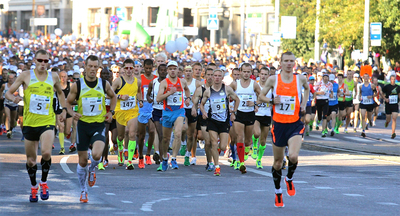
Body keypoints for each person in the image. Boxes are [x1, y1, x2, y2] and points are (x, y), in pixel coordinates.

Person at [5, 49, 67, 202]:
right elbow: (8, 92)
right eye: (40, 60)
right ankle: (34, 186)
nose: (43, 64)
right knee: (31, 161)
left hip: (47, 122)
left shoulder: (53, 76)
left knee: (46, 153)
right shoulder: (26, 75)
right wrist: (13, 98)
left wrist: (63, 110)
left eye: (46, 61)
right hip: (30, 123)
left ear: (49, 62)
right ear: (35, 60)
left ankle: (44, 182)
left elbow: (60, 93)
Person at [259, 51, 309, 208]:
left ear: (295, 63)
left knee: (293, 156)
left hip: (294, 124)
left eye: (291, 61)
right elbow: (261, 96)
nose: (289, 63)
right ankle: (278, 191)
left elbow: (307, 89)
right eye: (286, 61)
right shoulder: (273, 79)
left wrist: (303, 104)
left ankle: (289, 179)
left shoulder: (300, 79)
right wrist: (272, 100)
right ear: (280, 63)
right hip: (279, 126)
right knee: (278, 163)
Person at [66, 55, 116, 203]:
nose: (93, 69)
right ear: (85, 66)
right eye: (90, 66)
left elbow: (113, 97)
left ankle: (92, 169)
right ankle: (83, 190)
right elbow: (68, 103)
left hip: (98, 125)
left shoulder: (104, 84)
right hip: (82, 126)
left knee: (96, 154)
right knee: (82, 161)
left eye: (96, 67)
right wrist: (72, 113)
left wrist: (110, 112)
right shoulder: (78, 85)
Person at [200, 69, 238, 176]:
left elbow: (237, 99)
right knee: (213, 142)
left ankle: (216, 150)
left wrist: (233, 112)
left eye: (218, 76)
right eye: (214, 75)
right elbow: (201, 104)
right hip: (212, 121)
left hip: (224, 121)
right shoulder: (208, 91)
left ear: (222, 78)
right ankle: (217, 167)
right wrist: (203, 112)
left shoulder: (227, 89)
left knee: (222, 147)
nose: (216, 77)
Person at [156, 61, 191, 171]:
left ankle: (174, 158)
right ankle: (165, 158)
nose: (172, 70)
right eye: (170, 68)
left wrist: (188, 98)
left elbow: (187, 90)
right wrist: (169, 93)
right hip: (167, 112)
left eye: (174, 68)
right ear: (167, 70)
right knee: (165, 139)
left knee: (178, 134)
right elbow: (158, 98)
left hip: (179, 111)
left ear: (177, 70)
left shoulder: (182, 82)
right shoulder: (164, 83)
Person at [229, 63, 261, 174]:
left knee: (248, 141)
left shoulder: (254, 84)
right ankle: (241, 162)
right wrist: (230, 107)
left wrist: (255, 103)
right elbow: (225, 95)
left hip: (250, 114)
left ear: (251, 72)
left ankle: (246, 151)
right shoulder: (235, 84)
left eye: (248, 72)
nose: (246, 74)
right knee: (240, 137)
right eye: (244, 71)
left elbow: (262, 96)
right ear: (241, 72)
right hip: (239, 114)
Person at [111, 59, 143, 170]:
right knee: (120, 136)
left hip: (133, 110)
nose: (129, 70)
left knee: (132, 133)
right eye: (127, 68)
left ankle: (129, 161)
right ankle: (120, 150)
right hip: (120, 111)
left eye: (131, 68)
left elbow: (139, 91)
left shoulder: (137, 81)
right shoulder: (118, 81)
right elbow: (109, 93)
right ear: (123, 69)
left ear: (134, 68)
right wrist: (120, 96)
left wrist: (140, 100)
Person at [192, 67, 214, 171]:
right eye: (208, 75)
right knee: (208, 141)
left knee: (217, 144)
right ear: (204, 77)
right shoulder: (201, 89)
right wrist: (193, 108)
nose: (210, 77)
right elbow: (195, 102)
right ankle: (210, 162)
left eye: (212, 75)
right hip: (204, 118)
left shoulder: (221, 88)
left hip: (218, 118)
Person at [137, 59, 157, 168]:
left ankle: (148, 154)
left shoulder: (155, 79)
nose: (148, 70)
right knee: (141, 135)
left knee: (152, 130)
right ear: (143, 67)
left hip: (152, 107)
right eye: (146, 68)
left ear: (153, 67)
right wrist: (139, 101)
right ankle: (140, 156)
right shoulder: (139, 79)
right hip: (142, 107)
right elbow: (136, 92)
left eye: (150, 68)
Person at [147, 64, 167, 171]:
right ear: (158, 72)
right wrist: (149, 99)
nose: (163, 72)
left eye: (165, 70)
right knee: (160, 134)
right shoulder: (153, 82)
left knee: (165, 136)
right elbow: (148, 94)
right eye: (161, 70)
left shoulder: (169, 82)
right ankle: (161, 158)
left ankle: (164, 156)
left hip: (167, 111)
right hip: (156, 111)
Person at [181, 65, 201, 166]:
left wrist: (194, 107)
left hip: (192, 110)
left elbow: (197, 97)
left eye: (190, 71)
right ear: (184, 72)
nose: (188, 73)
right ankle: (182, 143)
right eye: (186, 71)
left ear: (192, 72)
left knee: (191, 135)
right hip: (182, 109)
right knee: (183, 128)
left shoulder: (196, 83)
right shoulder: (180, 82)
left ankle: (188, 155)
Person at [252, 68, 272, 169]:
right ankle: (254, 145)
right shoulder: (256, 85)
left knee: (263, 140)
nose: (263, 76)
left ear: (268, 75)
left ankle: (259, 160)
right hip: (256, 113)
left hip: (267, 114)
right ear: (259, 74)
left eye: (265, 74)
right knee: (256, 133)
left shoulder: (271, 87)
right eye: (262, 74)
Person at [0, 73, 19, 138]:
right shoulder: (4, 85)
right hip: (6, 103)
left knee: (13, 119)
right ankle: (8, 131)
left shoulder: (17, 86)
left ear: (14, 79)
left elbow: (20, 93)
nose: (10, 80)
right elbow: (1, 90)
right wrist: (1, 95)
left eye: (12, 78)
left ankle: (10, 130)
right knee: (8, 117)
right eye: (9, 78)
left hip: (14, 104)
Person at [358, 73, 376, 137]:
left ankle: (370, 120)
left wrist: (371, 96)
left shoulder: (372, 86)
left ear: (369, 78)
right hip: (363, 103)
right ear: (362, 78)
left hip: (370, 103)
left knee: (369, 116)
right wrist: (359, 97)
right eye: (364, 77)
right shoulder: (361, 86)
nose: (365, 78)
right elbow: (360, 93)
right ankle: (363, 130)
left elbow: (376, 93)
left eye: (367, 77)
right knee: (363, 116)